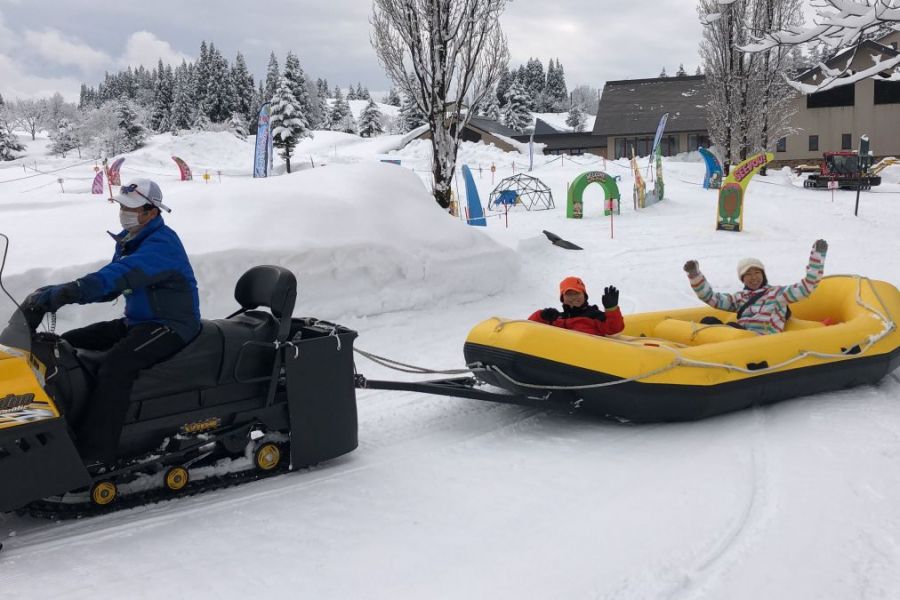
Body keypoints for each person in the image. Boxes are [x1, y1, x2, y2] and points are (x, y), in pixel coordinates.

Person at [23, 178, 200, 465]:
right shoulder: (131, 239)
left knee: (115, 367)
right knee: (67, 343)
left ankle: (96, 453)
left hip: (171, 325)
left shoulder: (161, 246)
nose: (124, 212)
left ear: (152, 212)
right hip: (138, 322)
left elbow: (118, 277)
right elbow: (110, 285)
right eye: (122, 206)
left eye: (131, 208)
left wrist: (68, 292)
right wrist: (54, 292)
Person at [683, 239, 828, 335]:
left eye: (757, 272)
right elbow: (710, 298)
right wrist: (695, 275)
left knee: (733, 329)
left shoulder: (777, 294)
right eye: (748, 274)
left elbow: (807, 286)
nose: (754, 277)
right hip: (739, 337)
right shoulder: (739, 298)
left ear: (763, 274)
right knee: (709, 321)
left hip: (759, 341)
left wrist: (817, 256)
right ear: (742, 279)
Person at [529, 276, 625, 336]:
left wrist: (612, 309)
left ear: (584, 296)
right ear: (563, 298)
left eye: (577, 293)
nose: (574, 297)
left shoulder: (595, 316)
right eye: (569, 294)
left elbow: (614, 330)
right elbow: (528, 327)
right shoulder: (556, 318)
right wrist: (541, 315)